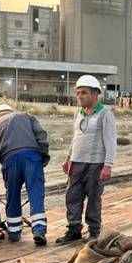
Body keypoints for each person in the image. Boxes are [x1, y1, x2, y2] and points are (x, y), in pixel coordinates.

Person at [56, 75, 116, 245]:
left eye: (84, 93)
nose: (79, 96)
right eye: (78, 93)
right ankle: (74, 229)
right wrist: (68, 158)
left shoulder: (105, 114)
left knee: (93, 198)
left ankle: (94, 232)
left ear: (95, 94)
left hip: (95, 164)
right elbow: (76, 138)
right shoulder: (78, 113)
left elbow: (110, 141)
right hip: (77, 162)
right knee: (72, 196)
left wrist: (108, 165)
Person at [0, 104, 50, 246]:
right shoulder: (27, 116)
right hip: (32, 156)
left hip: (10, 159)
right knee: (36, 193)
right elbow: (42, 135)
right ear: (11, 111)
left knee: (12, 195)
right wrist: (43, 157)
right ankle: (39, 230)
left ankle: (14, 233)